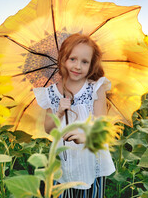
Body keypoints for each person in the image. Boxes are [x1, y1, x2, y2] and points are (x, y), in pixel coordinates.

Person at [33, 33, 115, 198]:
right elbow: (48, 129)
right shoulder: (51, 92)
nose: (78, 66)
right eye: (73, 59)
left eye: (85, 62)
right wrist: (59, 112)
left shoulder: (95, 88)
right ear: (63, 59)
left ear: (91, 65)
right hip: (64, 160)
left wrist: (85, 136)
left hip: (91, 159)